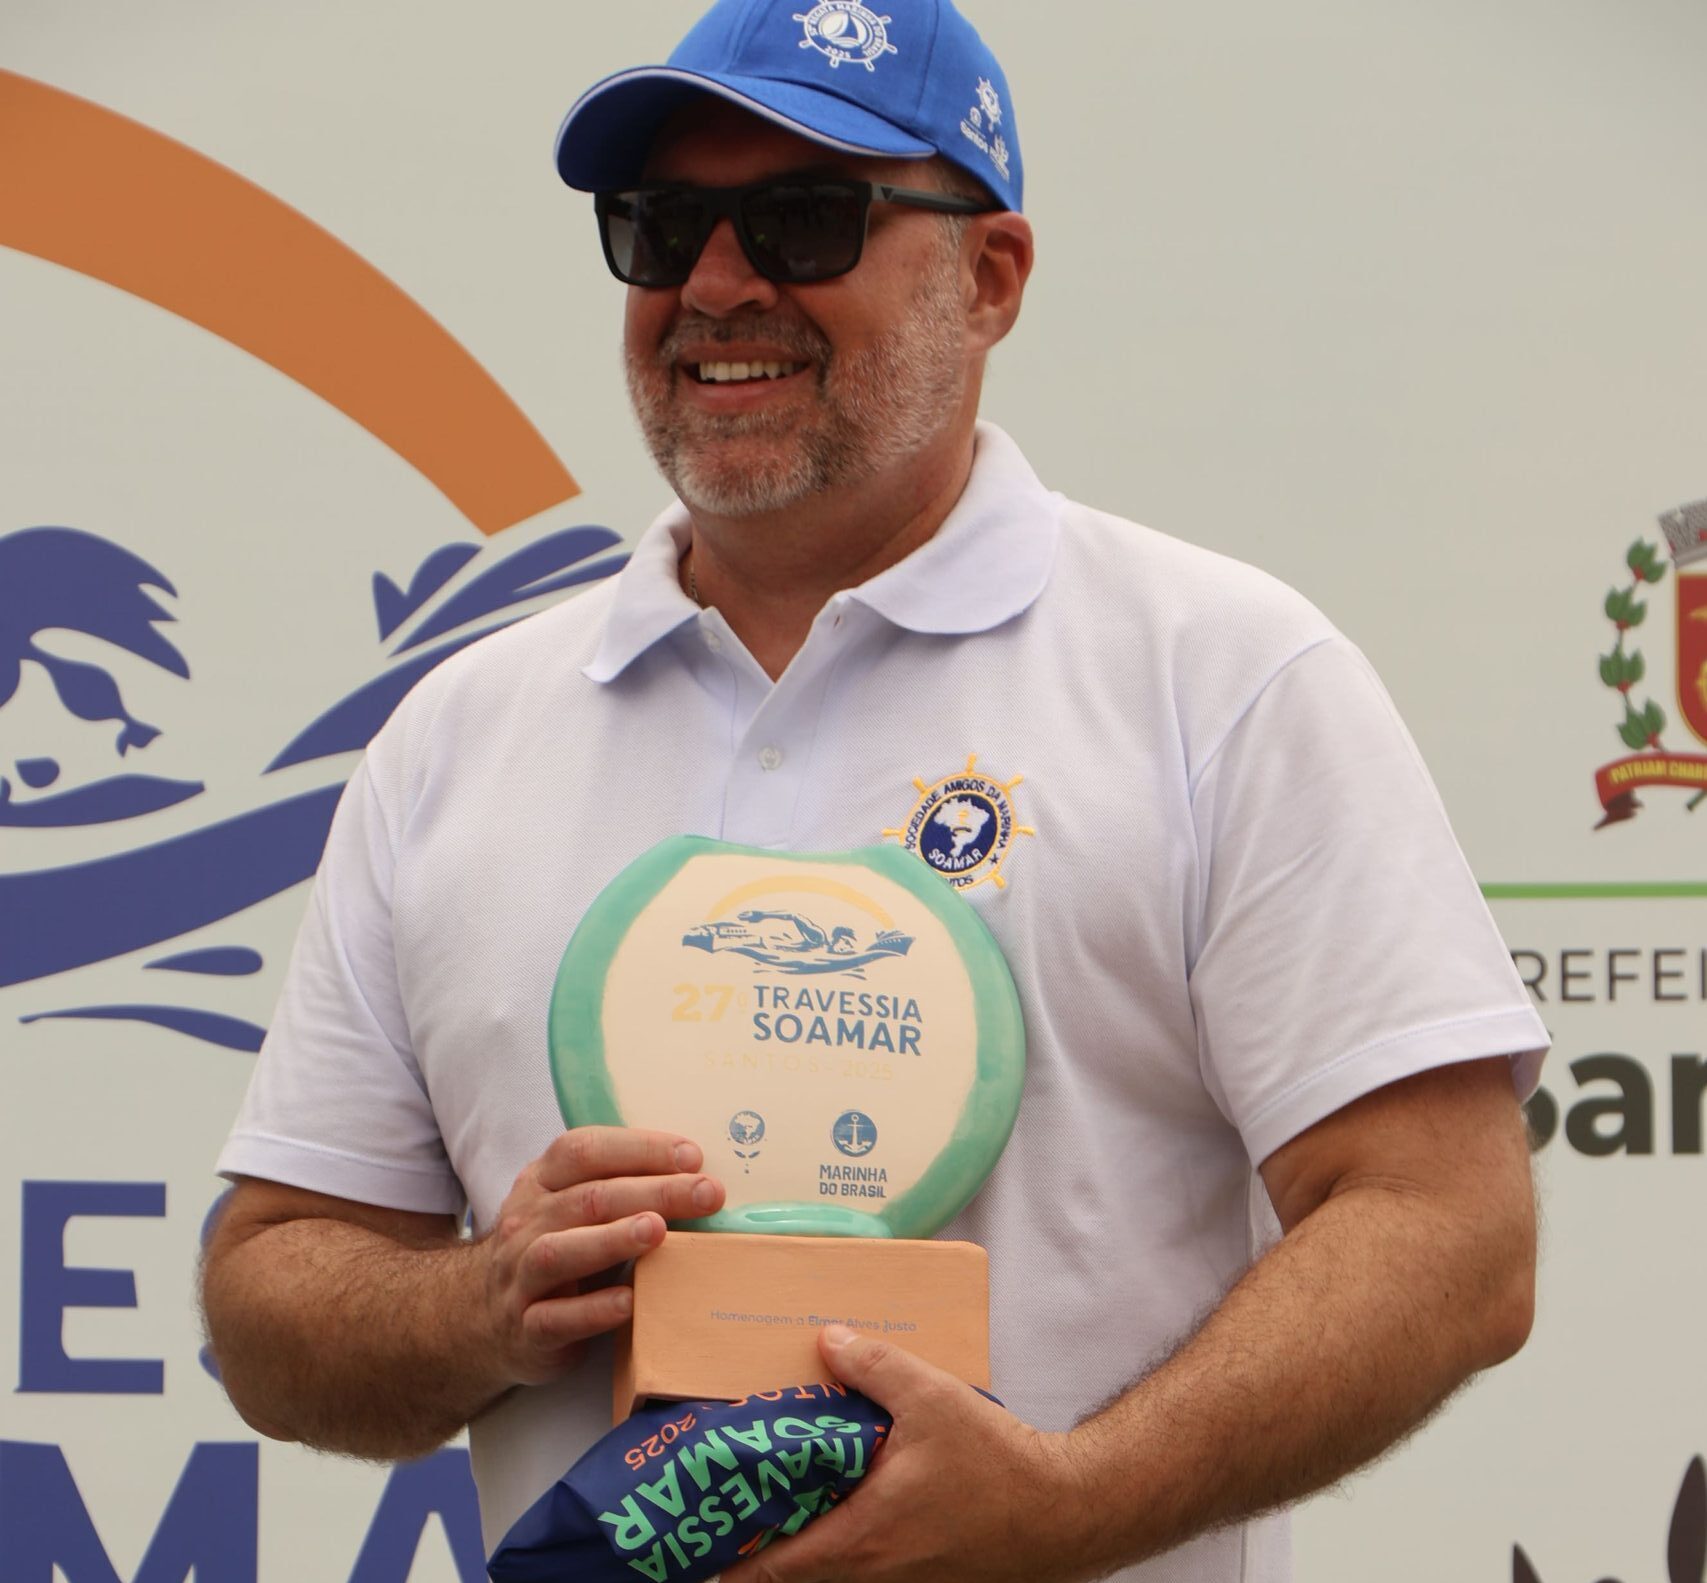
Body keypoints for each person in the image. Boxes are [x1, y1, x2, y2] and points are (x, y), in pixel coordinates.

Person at [201, 2, 1548, 1578]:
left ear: (991, 278)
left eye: (803, 217)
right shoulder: (460, 733)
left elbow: (1449, 1230)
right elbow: (272, 1291)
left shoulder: (1220, 676)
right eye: (661, 225)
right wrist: (482, 1302)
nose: (715, 284)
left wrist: (1073, 1502)